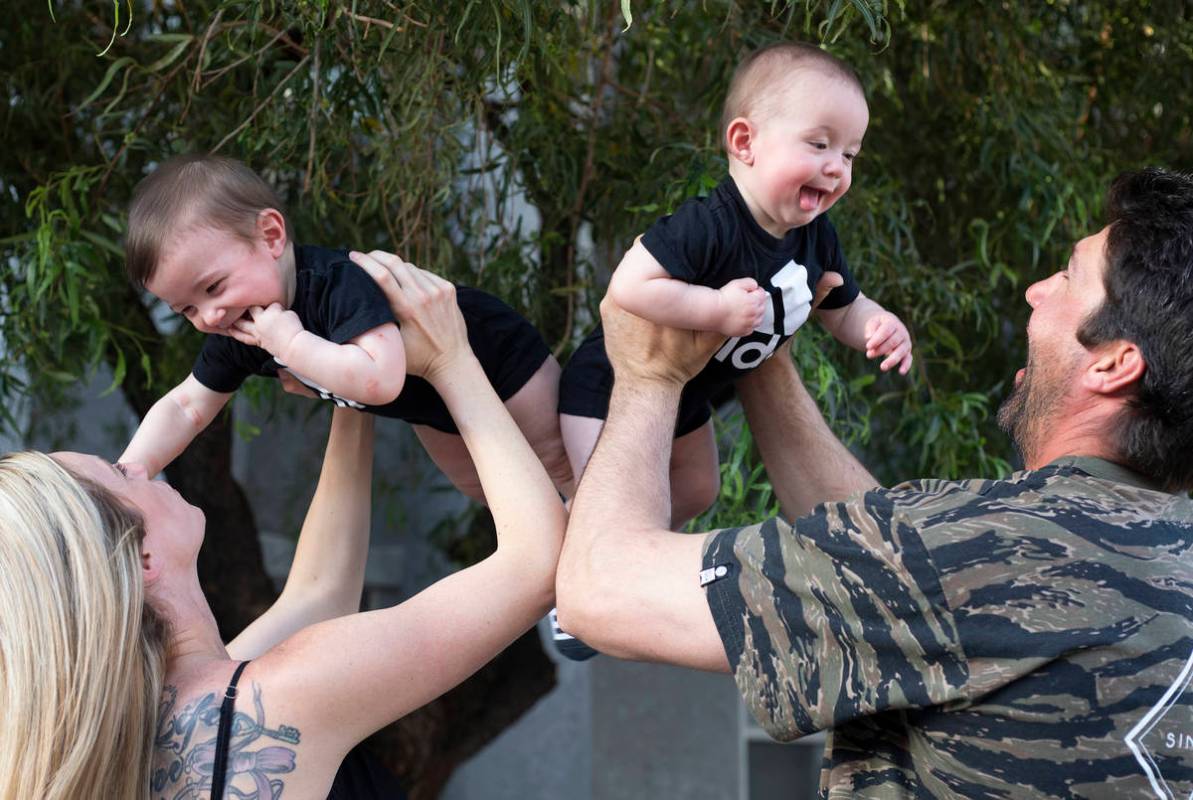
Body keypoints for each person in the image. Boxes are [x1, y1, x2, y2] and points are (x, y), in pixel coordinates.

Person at [555, 167, 1193, 797]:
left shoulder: (988, 552)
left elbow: (602, 588)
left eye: (1067, 277)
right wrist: (759, 336)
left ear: (1114, 364)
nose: (1034, 290)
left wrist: (650, 377)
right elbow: (890, 569)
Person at [0, 252, 567, 799]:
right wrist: (450, 360)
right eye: (118, 472)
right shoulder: (281, 697)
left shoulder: (155, 732)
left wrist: (354, 388)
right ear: (142, 560)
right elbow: (535, 563)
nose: (136, 464)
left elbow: (319, 595)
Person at [558, 42, 911, 532]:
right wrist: (716, 308)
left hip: (684, 393)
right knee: (621, 507)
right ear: (745, 142)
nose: (837, 167)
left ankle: (620, 559)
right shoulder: (707, 224)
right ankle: (567, 583)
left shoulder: (816, 237)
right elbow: (627, 287)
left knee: (699, 488)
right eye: (819, 144)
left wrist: (877, 324)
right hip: (612, 389)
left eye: (849, 154)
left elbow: (841, 308)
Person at [120, 153, 573, 504]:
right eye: (186, 310)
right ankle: (552, 553)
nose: (209, 317)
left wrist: (293, 345)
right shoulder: (239, 328)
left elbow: (380, 378)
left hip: (494, 358)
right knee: (487, 491)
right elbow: (186, 406)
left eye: (214, 287)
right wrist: (129, 471)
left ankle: (593, 551)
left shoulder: (338, 284)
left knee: (558, 459)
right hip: (430, 401)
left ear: (271, 237)